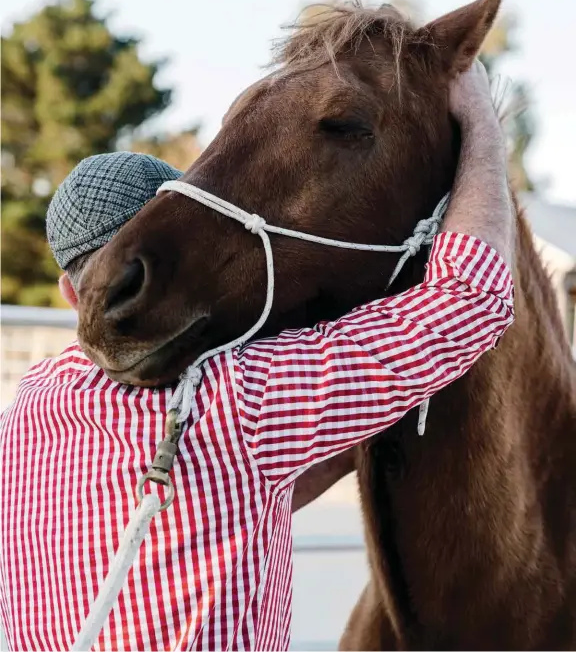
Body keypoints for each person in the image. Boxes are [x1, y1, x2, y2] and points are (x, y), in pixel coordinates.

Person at [0, 62, 515, 652]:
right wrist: (481, 120)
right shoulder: (236, 401)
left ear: (70, 293)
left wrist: (356, 433)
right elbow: (469, 296)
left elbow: (223, 498)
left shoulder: (25, 411)